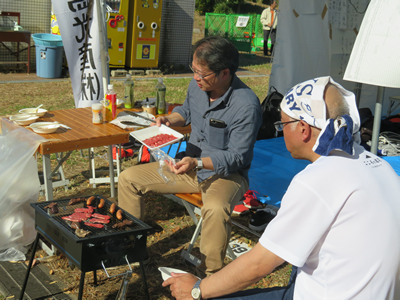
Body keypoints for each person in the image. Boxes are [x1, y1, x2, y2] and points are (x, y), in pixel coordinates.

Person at [162, 76, 400, 300]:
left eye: (283, 124)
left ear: (304, 129)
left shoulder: (318, 179)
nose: (281, 131)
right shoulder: (376, 164)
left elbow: (260, 264)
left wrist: (197, 290)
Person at [118, 35, 262, 277]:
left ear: (225, 73)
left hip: (224, 174)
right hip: (187, 164)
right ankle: (130, 247)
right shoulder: (197, 87)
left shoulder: (246, 105)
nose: (196, 77)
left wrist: (197, 162)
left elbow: (238, 156)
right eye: (193, 70)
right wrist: (168, 120)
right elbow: (185, 112)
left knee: (215, 208)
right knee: (129, 178)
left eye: (202, 73)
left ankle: (209, 275)